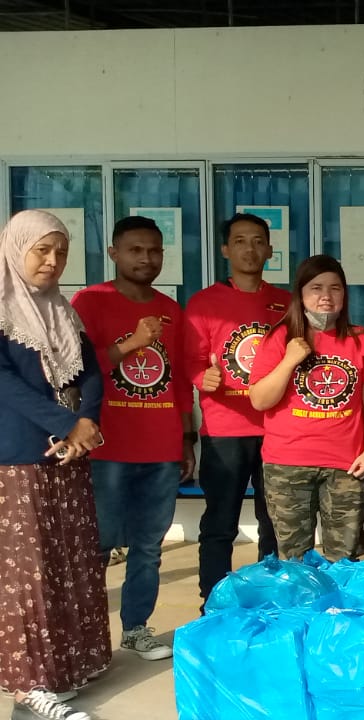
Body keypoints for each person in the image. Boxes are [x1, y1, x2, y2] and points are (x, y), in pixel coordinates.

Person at [0, 210, 110, 720]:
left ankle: (67, 666)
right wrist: (66, 424)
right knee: (28, 573)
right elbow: (4, 383)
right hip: (18, 458)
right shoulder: (4, 310)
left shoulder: (62, 312)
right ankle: (29, 684)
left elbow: (91, 374)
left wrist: (85, 423)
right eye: (41, 250)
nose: (52, 260)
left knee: (69, 561)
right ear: (15, 249)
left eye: (60, 251)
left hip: (69, 456)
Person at [72, 215, 194, 661]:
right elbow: (78, 369)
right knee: (99, 543)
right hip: (107, 446)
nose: (146, 258)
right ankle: (86, 635)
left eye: (154, 250)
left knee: (148, 546)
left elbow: (179, 380)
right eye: (135, 250)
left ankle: (136, 628)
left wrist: (186, 438)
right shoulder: (91, 301)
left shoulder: (171, 309)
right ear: (114, 253)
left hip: (160, 446)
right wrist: (133, 343)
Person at [184, 212, 288, 602]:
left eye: (258, 241)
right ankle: (214, 602)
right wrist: (202, 377)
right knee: (220, 523)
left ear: (270, 250)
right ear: (226, 249)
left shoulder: (285, 303)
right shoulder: (204, 303)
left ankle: (270, 598)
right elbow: (191, 360)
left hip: (277, 429)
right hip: (224, 430)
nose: (250, 249)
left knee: (273, 523)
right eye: (240, 241)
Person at [248, 255, 364, 562]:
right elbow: (260, 400)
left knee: (343, 561)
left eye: (335, 288)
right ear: (300, 294)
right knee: (294, 561)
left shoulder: (361, 339)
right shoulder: (280, 337)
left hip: (346, 464)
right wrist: (289, 360)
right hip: (288, 463)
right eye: (316, 288)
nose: (326, 296)